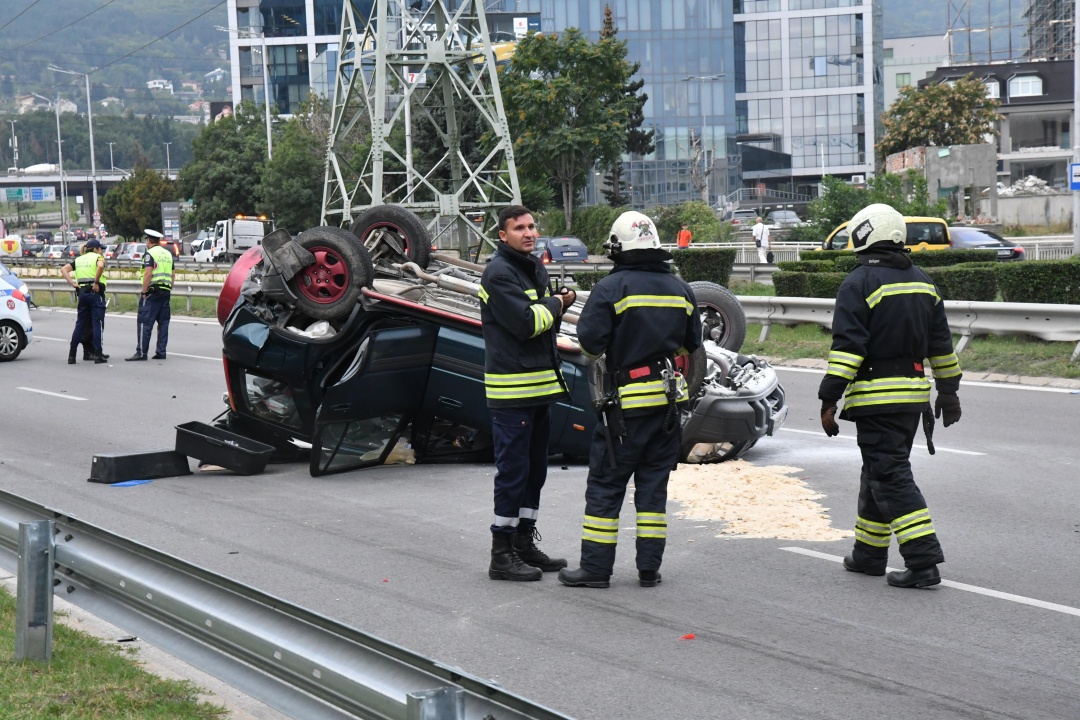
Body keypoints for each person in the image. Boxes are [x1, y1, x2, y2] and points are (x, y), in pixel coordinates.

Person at [818, 203, 962, 589]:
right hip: (912, 398)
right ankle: (869, 554)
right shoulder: (923, 281)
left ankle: (923, 560)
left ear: (863, 234)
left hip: (876, 397)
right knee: (878, 471)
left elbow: (848, 350)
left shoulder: (859, 283)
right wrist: (949, 391)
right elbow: (941, 345)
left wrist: (828, 398)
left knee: (891, 475)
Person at [558, 211, 702, 589]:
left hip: (625, 410)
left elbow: (590, 345)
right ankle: (649, 569)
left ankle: (595, 570)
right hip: (669, 405)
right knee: (653, 487)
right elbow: (691, 344)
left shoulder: (611, 288)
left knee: (606, 485)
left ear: (618, 248)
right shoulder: (681, 289)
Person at [479, 205, 576, 581]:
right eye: (519, 228)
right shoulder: (499, 274)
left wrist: (552, 305)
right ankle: (500, 553)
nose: (529, 233)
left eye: (533, 226)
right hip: (512, 393)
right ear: (503, 235)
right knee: (513, 473)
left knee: (535, 472)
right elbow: (527, 323)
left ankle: (523, 542)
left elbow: (543, 324)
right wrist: (559, 303)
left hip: (538, 391)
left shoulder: (532, 267)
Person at [127, 229, 174, 361]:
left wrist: (144, 291)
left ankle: (141, 352)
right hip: (165, 291)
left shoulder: (149, 254)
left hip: (152, 293)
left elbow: (148, 273)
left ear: (148, 241)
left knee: (144, 321)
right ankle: (161, 352)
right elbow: (173, 274)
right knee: (163, 323)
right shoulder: (168, 254)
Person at [60, 238, 108, 364]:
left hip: (82, 293)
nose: (102, 251)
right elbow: (101, 266)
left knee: (80, 324)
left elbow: (63, 269)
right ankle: (98, 354)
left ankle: (72, 355)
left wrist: (72, 283)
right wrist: (96, 282)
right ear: (96, 249)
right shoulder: (98, 258)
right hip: (95, 293)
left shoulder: (79, 259)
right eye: (101, 248)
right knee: (97, 323)